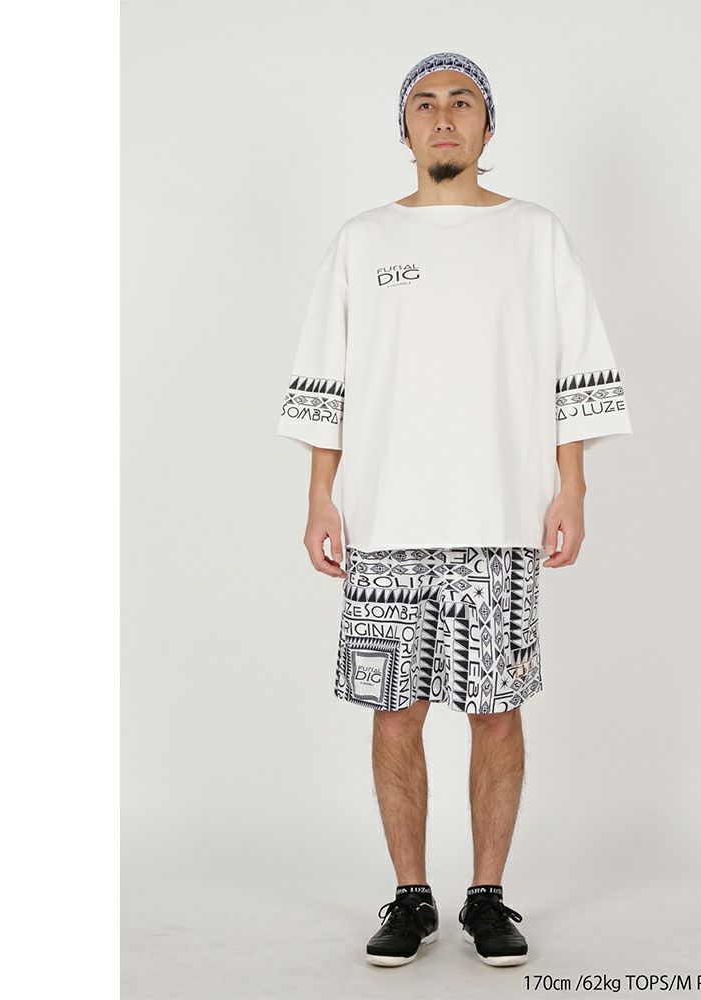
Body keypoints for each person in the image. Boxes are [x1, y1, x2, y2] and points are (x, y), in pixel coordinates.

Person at [276, 51, 633, 968]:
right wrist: (320, 496)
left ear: (486, 125)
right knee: (395, 710)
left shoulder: (534, 234)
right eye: (425, 104)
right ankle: (409, 896)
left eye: (462, 102)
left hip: (499, 517)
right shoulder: (363, 241)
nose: (443, 117)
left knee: (496, 712)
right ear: (404, 130)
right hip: (386, 521)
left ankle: (487, 896)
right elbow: (327, 374)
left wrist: (572, 486)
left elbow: (573, 366)